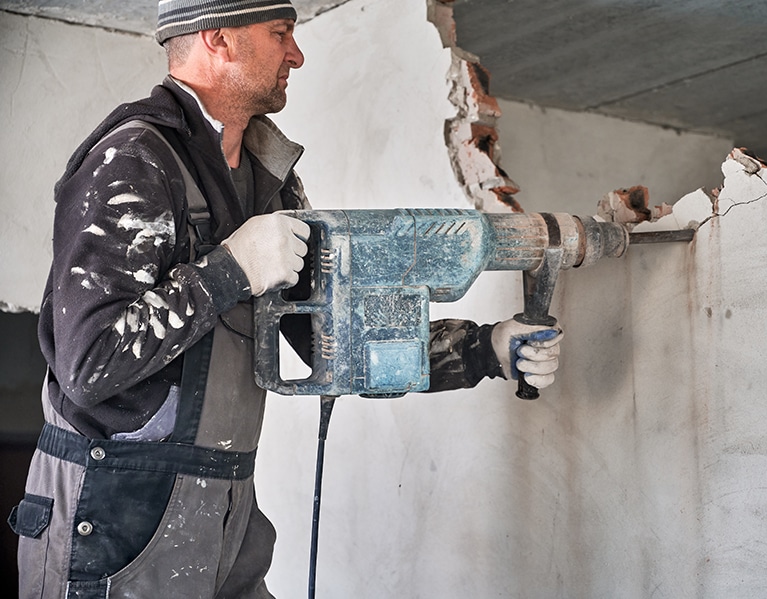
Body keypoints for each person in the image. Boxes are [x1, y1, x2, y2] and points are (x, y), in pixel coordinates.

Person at [8, 1, 563, 596]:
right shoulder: (134, 159)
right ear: (218, 39)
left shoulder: (267, 178)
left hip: (229, 506)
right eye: (280, 35)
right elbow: (89, 363)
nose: (296, 54)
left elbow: (339, 336)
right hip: (114, 513)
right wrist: (231, 270)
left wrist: (486, 349)